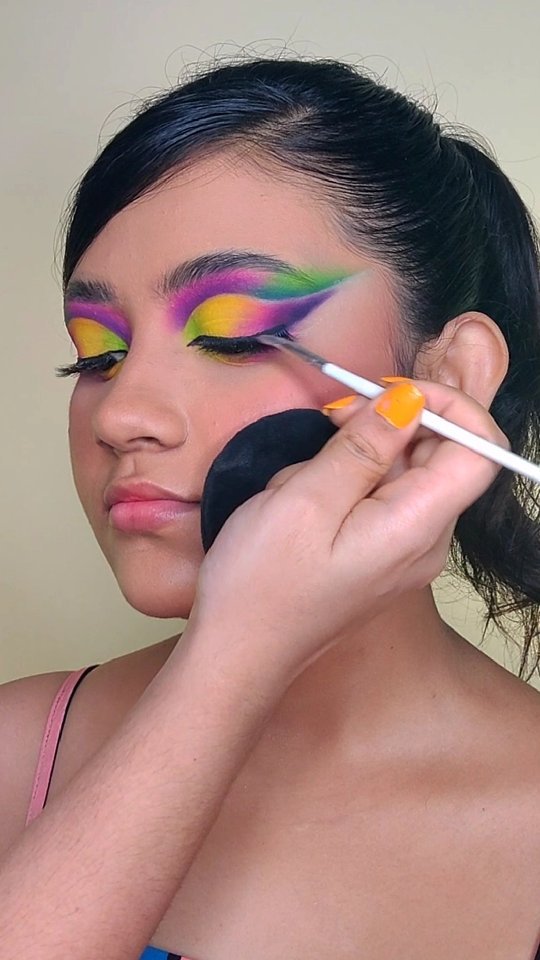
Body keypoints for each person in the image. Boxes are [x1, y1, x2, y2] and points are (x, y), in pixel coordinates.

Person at [1, 56, 539, 960]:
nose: (121, 414)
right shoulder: (18, 755)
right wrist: (228, 664)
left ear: (449, 376)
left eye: (233, 335)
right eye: (97, 355)